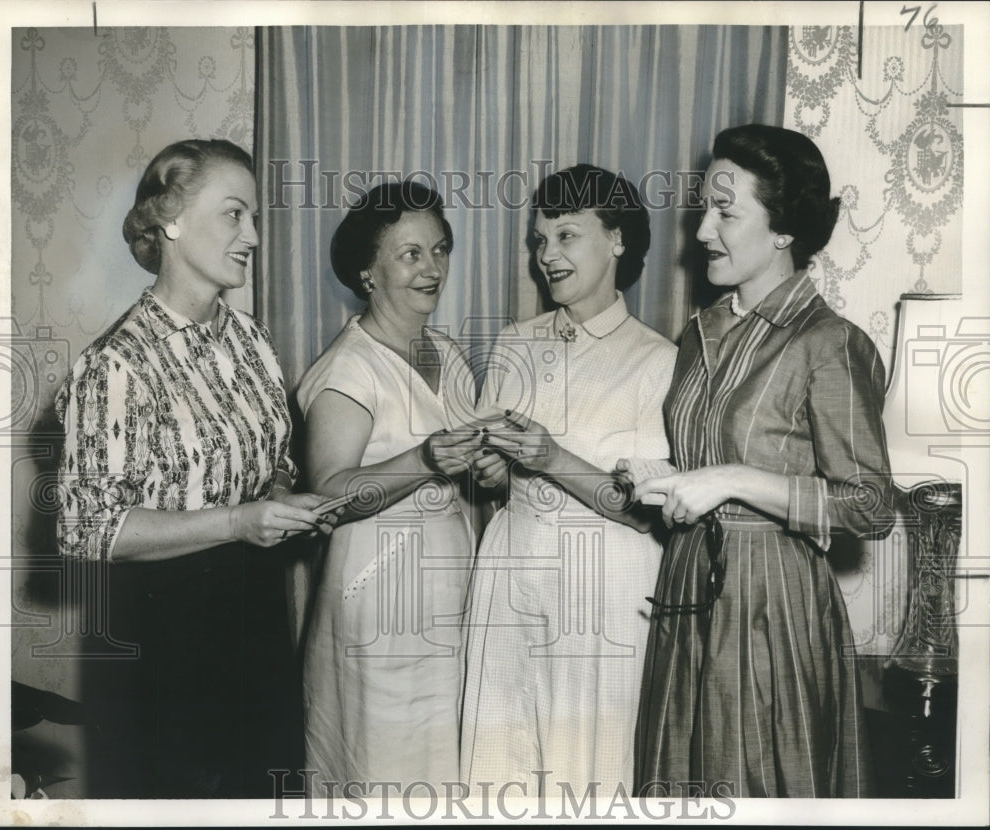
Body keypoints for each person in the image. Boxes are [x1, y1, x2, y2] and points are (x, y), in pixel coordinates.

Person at [55, 139, 338, 797]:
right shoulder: (117, 364)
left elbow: (277, 462)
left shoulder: (250, 339)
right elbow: (87, 529)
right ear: (172, 221)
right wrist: (239, 521)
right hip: (161, 641)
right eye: (234, 215)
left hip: (256, 620)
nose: (255, 237)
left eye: (255, 218)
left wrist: (284, 504)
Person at [631, 124, 895, 799]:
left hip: (771, 605)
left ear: (783, 230)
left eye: (725, 211)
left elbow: (869, 505)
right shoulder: (697, 337)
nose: (702, 231)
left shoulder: (829, 344)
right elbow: (712, 459)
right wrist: (668, 478)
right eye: (702, 208)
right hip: (688, 585)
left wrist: (732, 480)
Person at [460, 164, 678, 796]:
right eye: (539, 240)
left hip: (604, 578)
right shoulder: (512, 343)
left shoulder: (658, 361)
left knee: (589, 761)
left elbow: (649, 511)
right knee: (501, 754)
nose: (546, 255)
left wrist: (552, 457)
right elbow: (492, 479)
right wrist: (491, 467)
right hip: (508, 563)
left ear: (617, 240)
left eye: (565, 235)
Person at [297, 181, 481, 790]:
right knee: (380, 770)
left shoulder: (449, 356)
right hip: (378, 601)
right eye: (411, 254)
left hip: (448, 596)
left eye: (441, 249)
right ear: (367, 272)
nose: (433, 268)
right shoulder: (349, 367)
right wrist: (425, 458)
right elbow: (328, 492)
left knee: (441, 767)